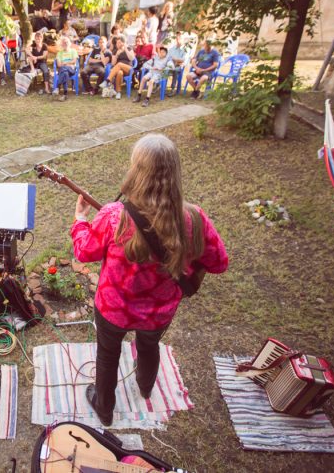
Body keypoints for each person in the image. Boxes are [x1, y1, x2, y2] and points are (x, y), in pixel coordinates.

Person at [70, 134, 228, 426]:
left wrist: (80, 220)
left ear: (136, 171)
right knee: (149, 345)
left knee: (108, 353)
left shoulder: (113, 215)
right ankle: (145, 386)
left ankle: (104, 407)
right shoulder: (194, 218)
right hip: (159, 313)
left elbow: (83, 251)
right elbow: (219, 263)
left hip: (112, 309)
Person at [54, 36, 78, 102]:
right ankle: (65, 94)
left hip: (71, 70)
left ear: (69, 43)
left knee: (64, 69)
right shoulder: (59, 53)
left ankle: (57, 87)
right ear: (61, 45)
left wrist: (65, 63)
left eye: (67, 42)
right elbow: (58, 65)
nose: (65, 43)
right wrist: (68, 64)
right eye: (64, 43)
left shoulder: (73, 51)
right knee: (65, 73)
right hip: (64, 70)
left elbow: (74, 61)